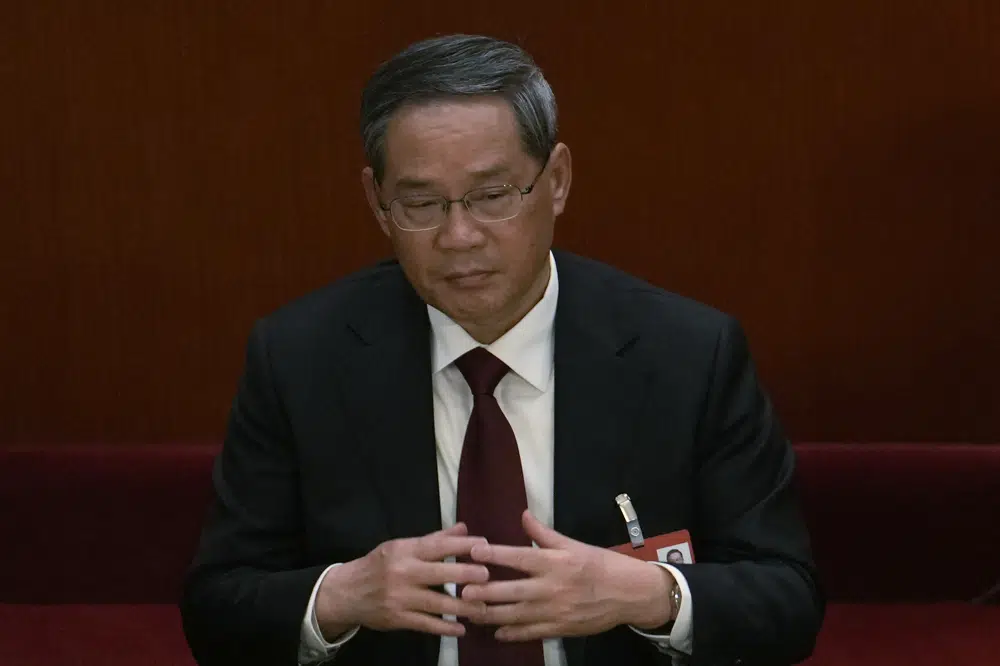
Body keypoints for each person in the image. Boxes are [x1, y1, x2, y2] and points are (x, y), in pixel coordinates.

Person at [180, 34, 823, 666]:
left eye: (493, 197)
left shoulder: (688, 354)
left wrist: (646, 594)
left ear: (558, 180)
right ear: (378, 204)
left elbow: (788, 599)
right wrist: (340, 596)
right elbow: (216, 611)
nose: (459, 236)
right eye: (422, 203)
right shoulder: (299, 360)